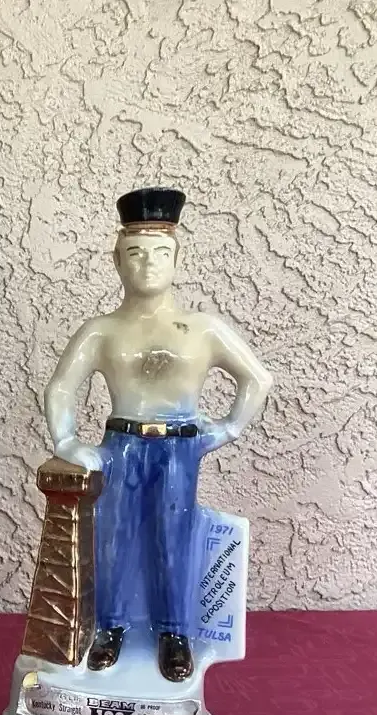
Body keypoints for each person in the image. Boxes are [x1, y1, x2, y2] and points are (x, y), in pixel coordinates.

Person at [45, 188, 272, 682]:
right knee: (115, 536)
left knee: (173, 535)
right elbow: (62, 386)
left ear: (177, 258)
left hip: (178, 446)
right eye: (135, 253)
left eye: (160, 253)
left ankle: (174, 633)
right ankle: (111, 627)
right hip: (122, 444)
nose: (147, 263)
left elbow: (256, 378)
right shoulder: (102, 331)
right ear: (116, 260)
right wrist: (67, 441)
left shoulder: (202, 327)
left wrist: (229, 427)